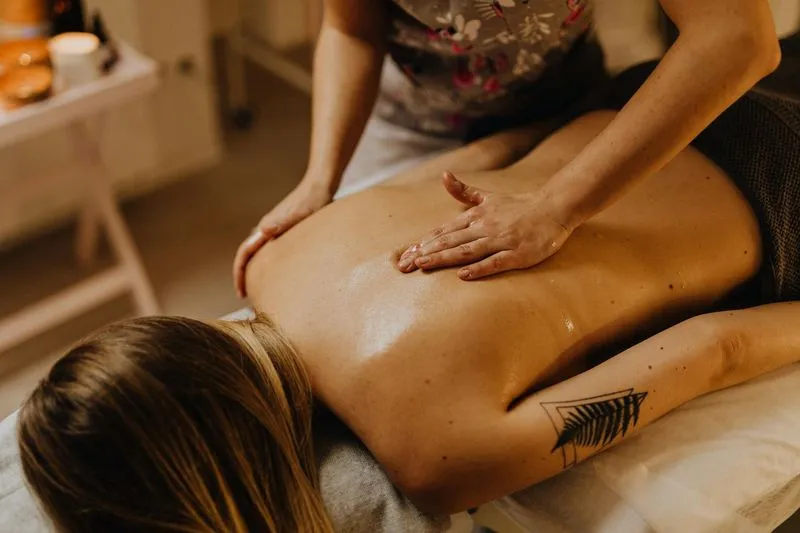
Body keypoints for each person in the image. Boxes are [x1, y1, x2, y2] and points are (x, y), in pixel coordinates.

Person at [18, 55, 800, 532]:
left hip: (781, 190)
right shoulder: (273, 257)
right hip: (639, 108)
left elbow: (716, 346)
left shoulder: (433, 452)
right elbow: (486, 156)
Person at [233, 0, 782, 296]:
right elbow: (352, 29)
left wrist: (559, 206)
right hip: (407, 122)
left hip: (562, 109)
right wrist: (318, 179)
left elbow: (736, 37)